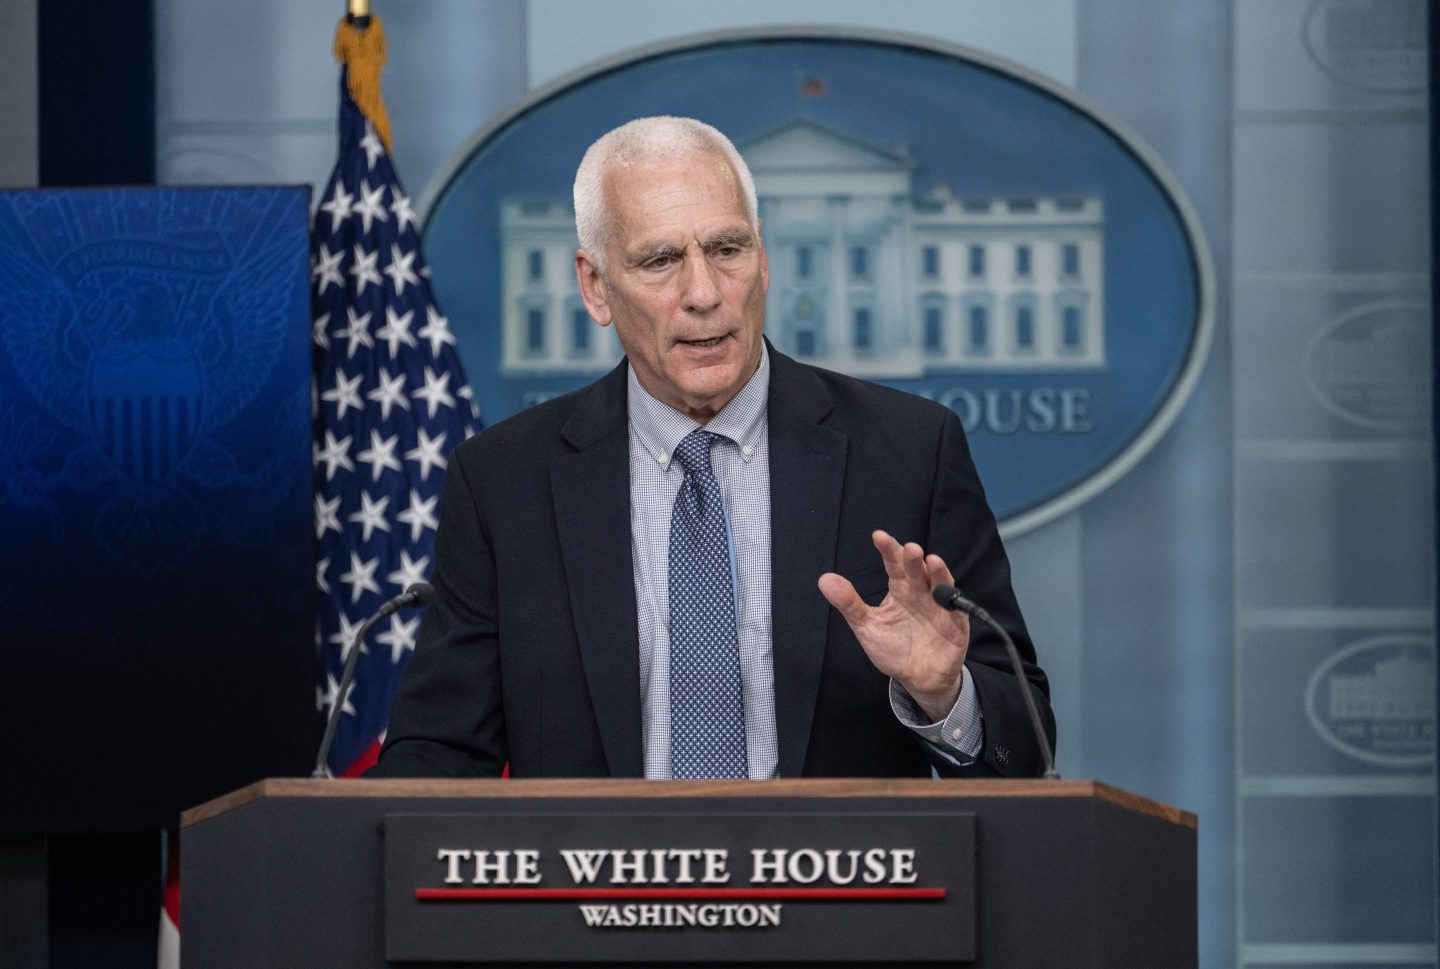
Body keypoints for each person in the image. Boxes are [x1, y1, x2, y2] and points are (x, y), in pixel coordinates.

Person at [369, 116, 1054, 780]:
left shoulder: (908, 452)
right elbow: (435, 758)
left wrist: (945, 694)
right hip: (593, 894)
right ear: (595, 286)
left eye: (727, 250)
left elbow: (1027, 752)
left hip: (840, 895)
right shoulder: (505, 483)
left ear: (763, 258)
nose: (704, 294)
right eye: (661, 260)